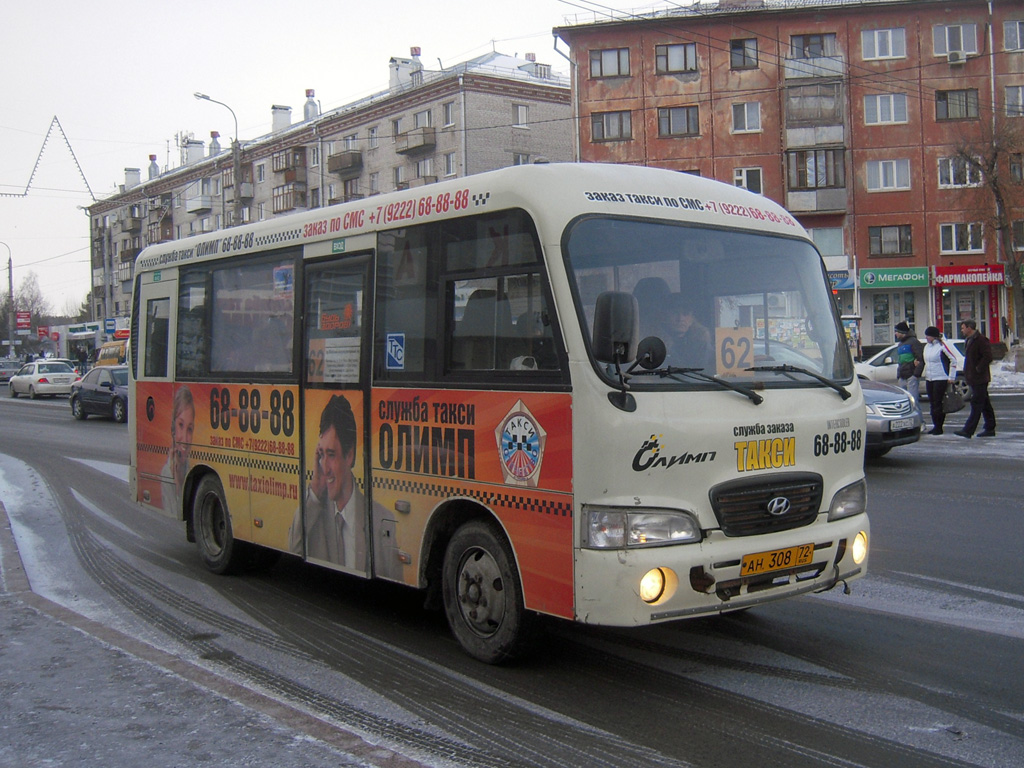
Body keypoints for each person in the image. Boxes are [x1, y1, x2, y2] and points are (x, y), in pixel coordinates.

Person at [955, 319, 996, 438]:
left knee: (976, 403)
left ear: (969, 328)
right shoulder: (969, 340)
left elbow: (988, 356)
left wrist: (978, 369)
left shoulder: (981, 340)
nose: (961, 330)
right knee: (985, 404)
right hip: (973, 377)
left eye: (963, 328)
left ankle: (968, 430)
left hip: (980, 378)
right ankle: (990, 427)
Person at [161, 386, 195, 517]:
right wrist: (175, 483)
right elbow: (174, 511)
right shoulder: (167, 473)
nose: (185, 439)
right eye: (181, 425)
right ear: (173, 429)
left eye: (190, 429)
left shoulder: (191, 468)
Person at [921, 326, 957, 435]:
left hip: (940, 378)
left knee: (938, 402)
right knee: (932, 402)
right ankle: (935, 424)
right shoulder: (927, 347)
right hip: (930, 378)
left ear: (934, 336)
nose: (926, 337)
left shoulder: (941, 346)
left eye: (928, 335)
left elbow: (953, 360)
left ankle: (939, 426)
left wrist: (951, 377)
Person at [666, 293, 715, 371]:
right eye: (675, 313)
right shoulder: (655, 342)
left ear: (692, 318)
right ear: (665, 316)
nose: (680, 318)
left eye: (685, 313)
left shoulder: (702, 344)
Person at [893, 321, 924, 414]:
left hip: (911, 376)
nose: (895, 334)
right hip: (903, 376)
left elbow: (920, 359)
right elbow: (901, 361)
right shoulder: (900, 344)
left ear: (902, 332)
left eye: (897, 331)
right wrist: (899, 375)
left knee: (913, 401)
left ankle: (920, 422)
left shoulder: (914, 342)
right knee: (904, 403)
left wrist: (915, 375)